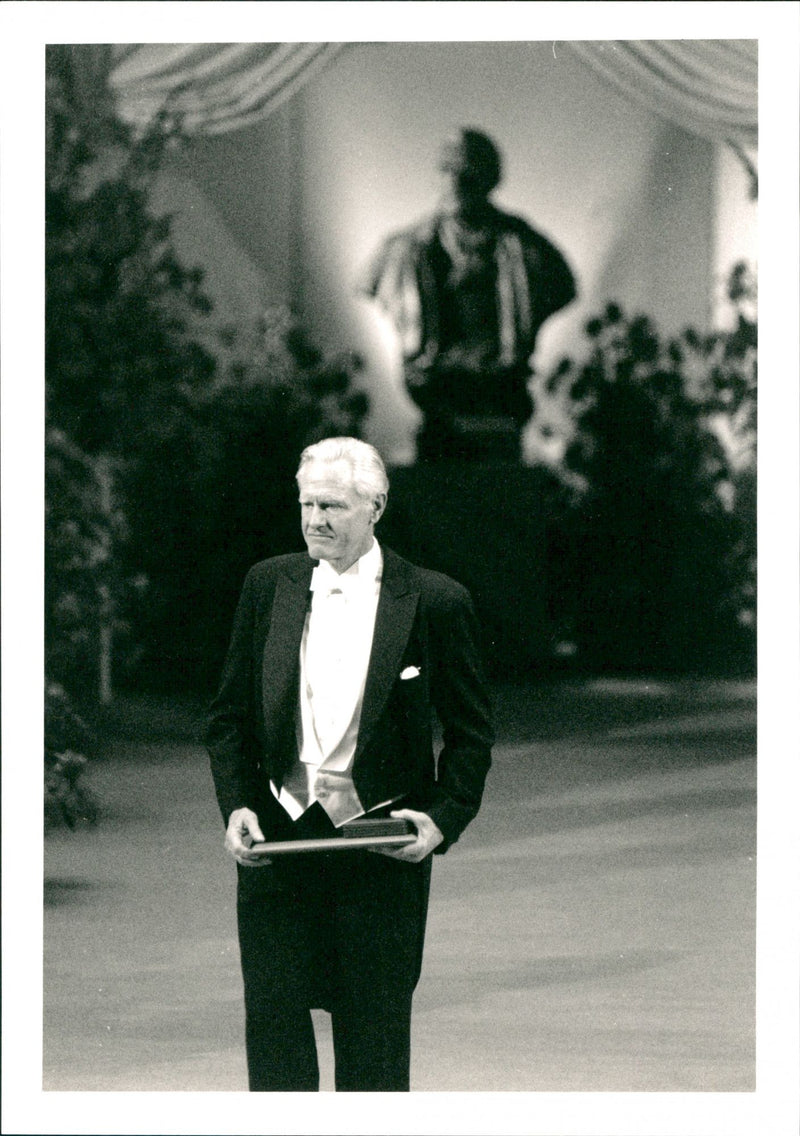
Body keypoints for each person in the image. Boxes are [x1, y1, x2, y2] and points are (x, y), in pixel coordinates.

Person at [206, 436, 493, 1091]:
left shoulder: (435, 601)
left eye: (333, 506)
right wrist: (238, 807)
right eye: (307, 504)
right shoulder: (266, 586)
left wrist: (441, 820)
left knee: (374, 1051)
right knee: (274, 1043)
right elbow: (227, 719)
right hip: (278, 851)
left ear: (376, 507)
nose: (315, 520)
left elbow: (473, 735)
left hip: (379, 854)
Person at [361, 127, 576, 461]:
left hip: (502, 385)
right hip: (437, 386)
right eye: (447, 169)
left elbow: (564, 287)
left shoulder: (528, 248)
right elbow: (369, 283)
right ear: (436, 177)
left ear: (492, 178)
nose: (457, 181)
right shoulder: (403, 250)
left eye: (469, 171)